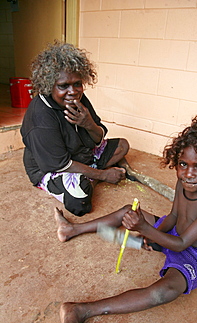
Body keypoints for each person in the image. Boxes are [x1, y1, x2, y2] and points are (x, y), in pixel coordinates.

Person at [55, 115, 197, 323]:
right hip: (175, 235)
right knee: (126, 212)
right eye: (183, 164)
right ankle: (72, 230)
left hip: (196, 255)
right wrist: (155, 234)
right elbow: (173, 216)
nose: (189, 174)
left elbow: (182, 244)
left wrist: (145, 230)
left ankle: (81, 310)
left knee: (164, 291)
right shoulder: (185, 183)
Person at [21, 41, 132, 216]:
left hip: (80, 153)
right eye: (63, 86)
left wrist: (88, 124)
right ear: (48, 85)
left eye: (77, 84)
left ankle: (88, 175)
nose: (72, 91)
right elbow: (60, 164)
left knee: (122, 146)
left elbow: (98, 138)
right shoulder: (41, 115)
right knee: (79, 202)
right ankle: (92, 176)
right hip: (52, 167)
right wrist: (103, 176)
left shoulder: (77, 98)